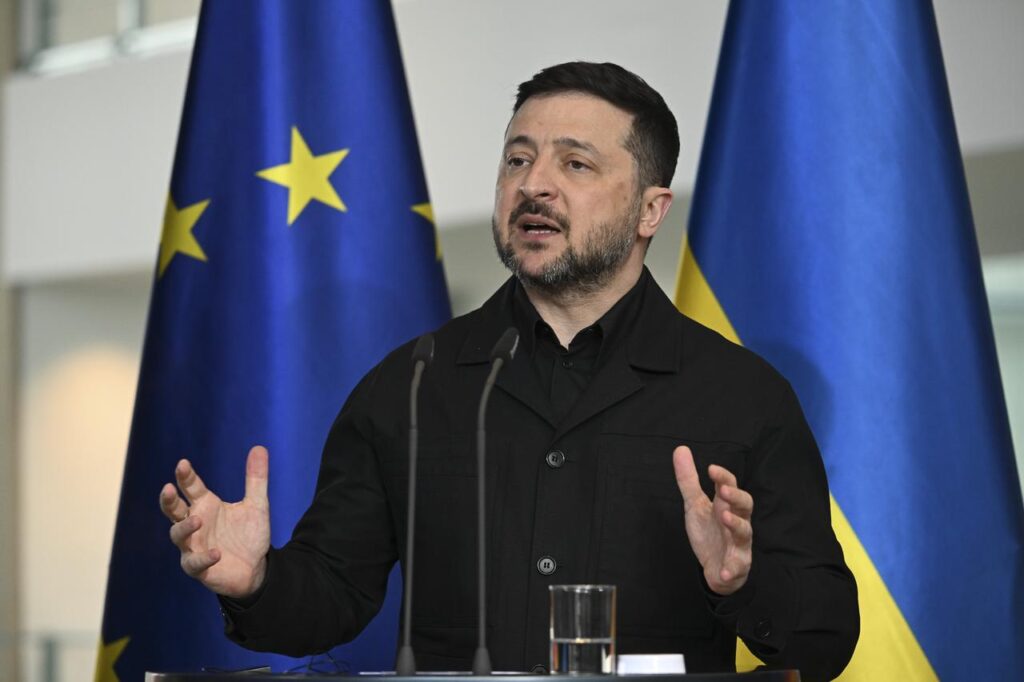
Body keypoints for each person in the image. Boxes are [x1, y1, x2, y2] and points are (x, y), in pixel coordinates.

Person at [160, 62, 858, 681]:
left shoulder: (742, 398)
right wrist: (254, 583)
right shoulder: (409, 385)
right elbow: (330, 600)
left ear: (651, 209)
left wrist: (742, 583)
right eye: (517, 160)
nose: (534, 186)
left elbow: (825, 640)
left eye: (575, 165)